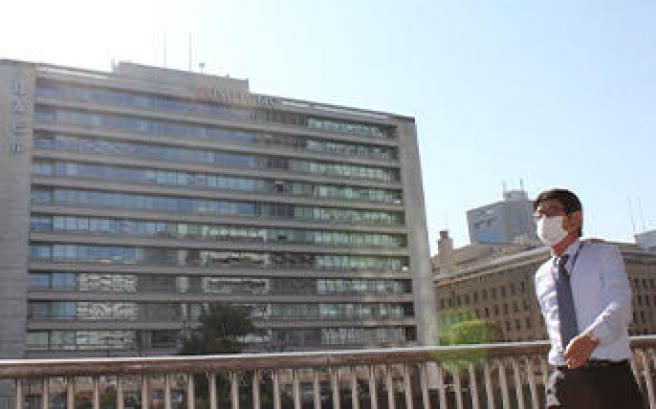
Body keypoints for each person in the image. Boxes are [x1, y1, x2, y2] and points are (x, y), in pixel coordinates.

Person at [532, 188, 644, 409]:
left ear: (575, 218)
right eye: (539, 215)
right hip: (564, 380)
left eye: (552, 212)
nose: (544, 221)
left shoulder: (602, 254)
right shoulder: (541, 275)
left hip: (609, 377)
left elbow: (620, 305)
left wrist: (591, 337)